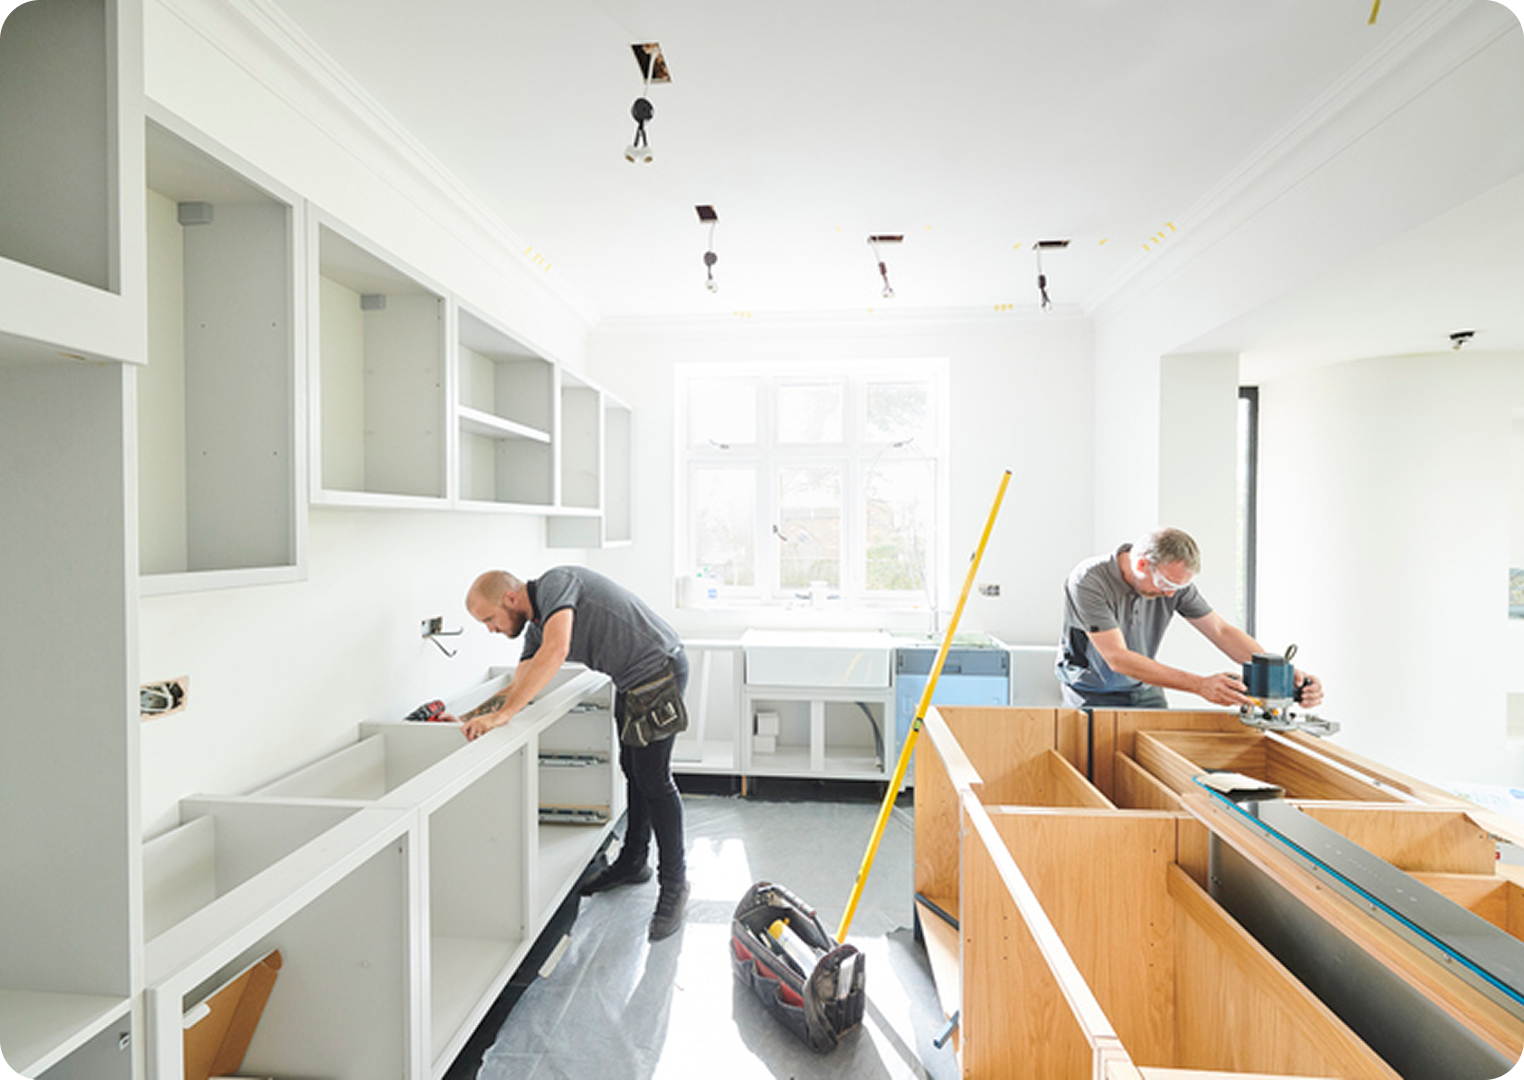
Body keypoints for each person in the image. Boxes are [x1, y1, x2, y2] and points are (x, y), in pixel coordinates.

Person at [445, 565, 691, 942]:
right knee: (633, 770)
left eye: (490, 619)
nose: (491, 630)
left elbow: (558, 650)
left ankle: (675, 886)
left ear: (510, 598)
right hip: (631, 681)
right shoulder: (537, 628)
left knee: (654, 780)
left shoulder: (556, 584)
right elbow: (519, 685)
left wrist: (506, 715)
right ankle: (633, 861)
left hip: (659, 670)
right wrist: (469, 717)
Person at [1055, 526, 1323, 710]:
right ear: (1141, 565)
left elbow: (1220, 631)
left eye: (1179, 587)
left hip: (1145, 689)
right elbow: (1117, 658)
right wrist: (1200, 685)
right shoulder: (1089, 581)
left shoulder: (1173, 585)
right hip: (1092, 693)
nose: (1171, 592)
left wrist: (1278, 673)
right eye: (1166, 582)